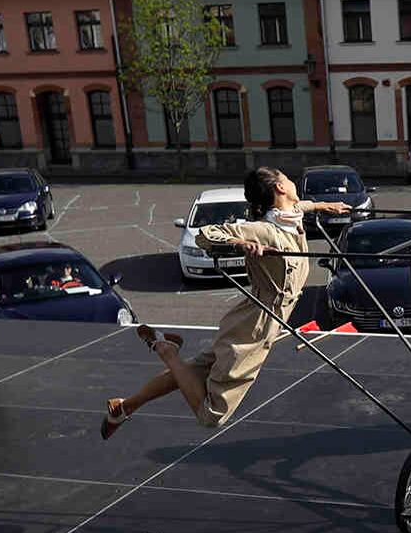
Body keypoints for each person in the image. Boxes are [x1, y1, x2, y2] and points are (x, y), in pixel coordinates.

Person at [100, 167, 348, 440]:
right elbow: (206, 234)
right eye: (288, 179)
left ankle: (123, 407)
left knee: (194, 371)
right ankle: (166, 350)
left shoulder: (289, 216)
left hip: (254, 320)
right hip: (253, 327)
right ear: (279, 187)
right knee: (212, 415)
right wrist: (239, 242)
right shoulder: (263, 229)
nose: (293, 183)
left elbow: (300, 205)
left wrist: (324, 205)